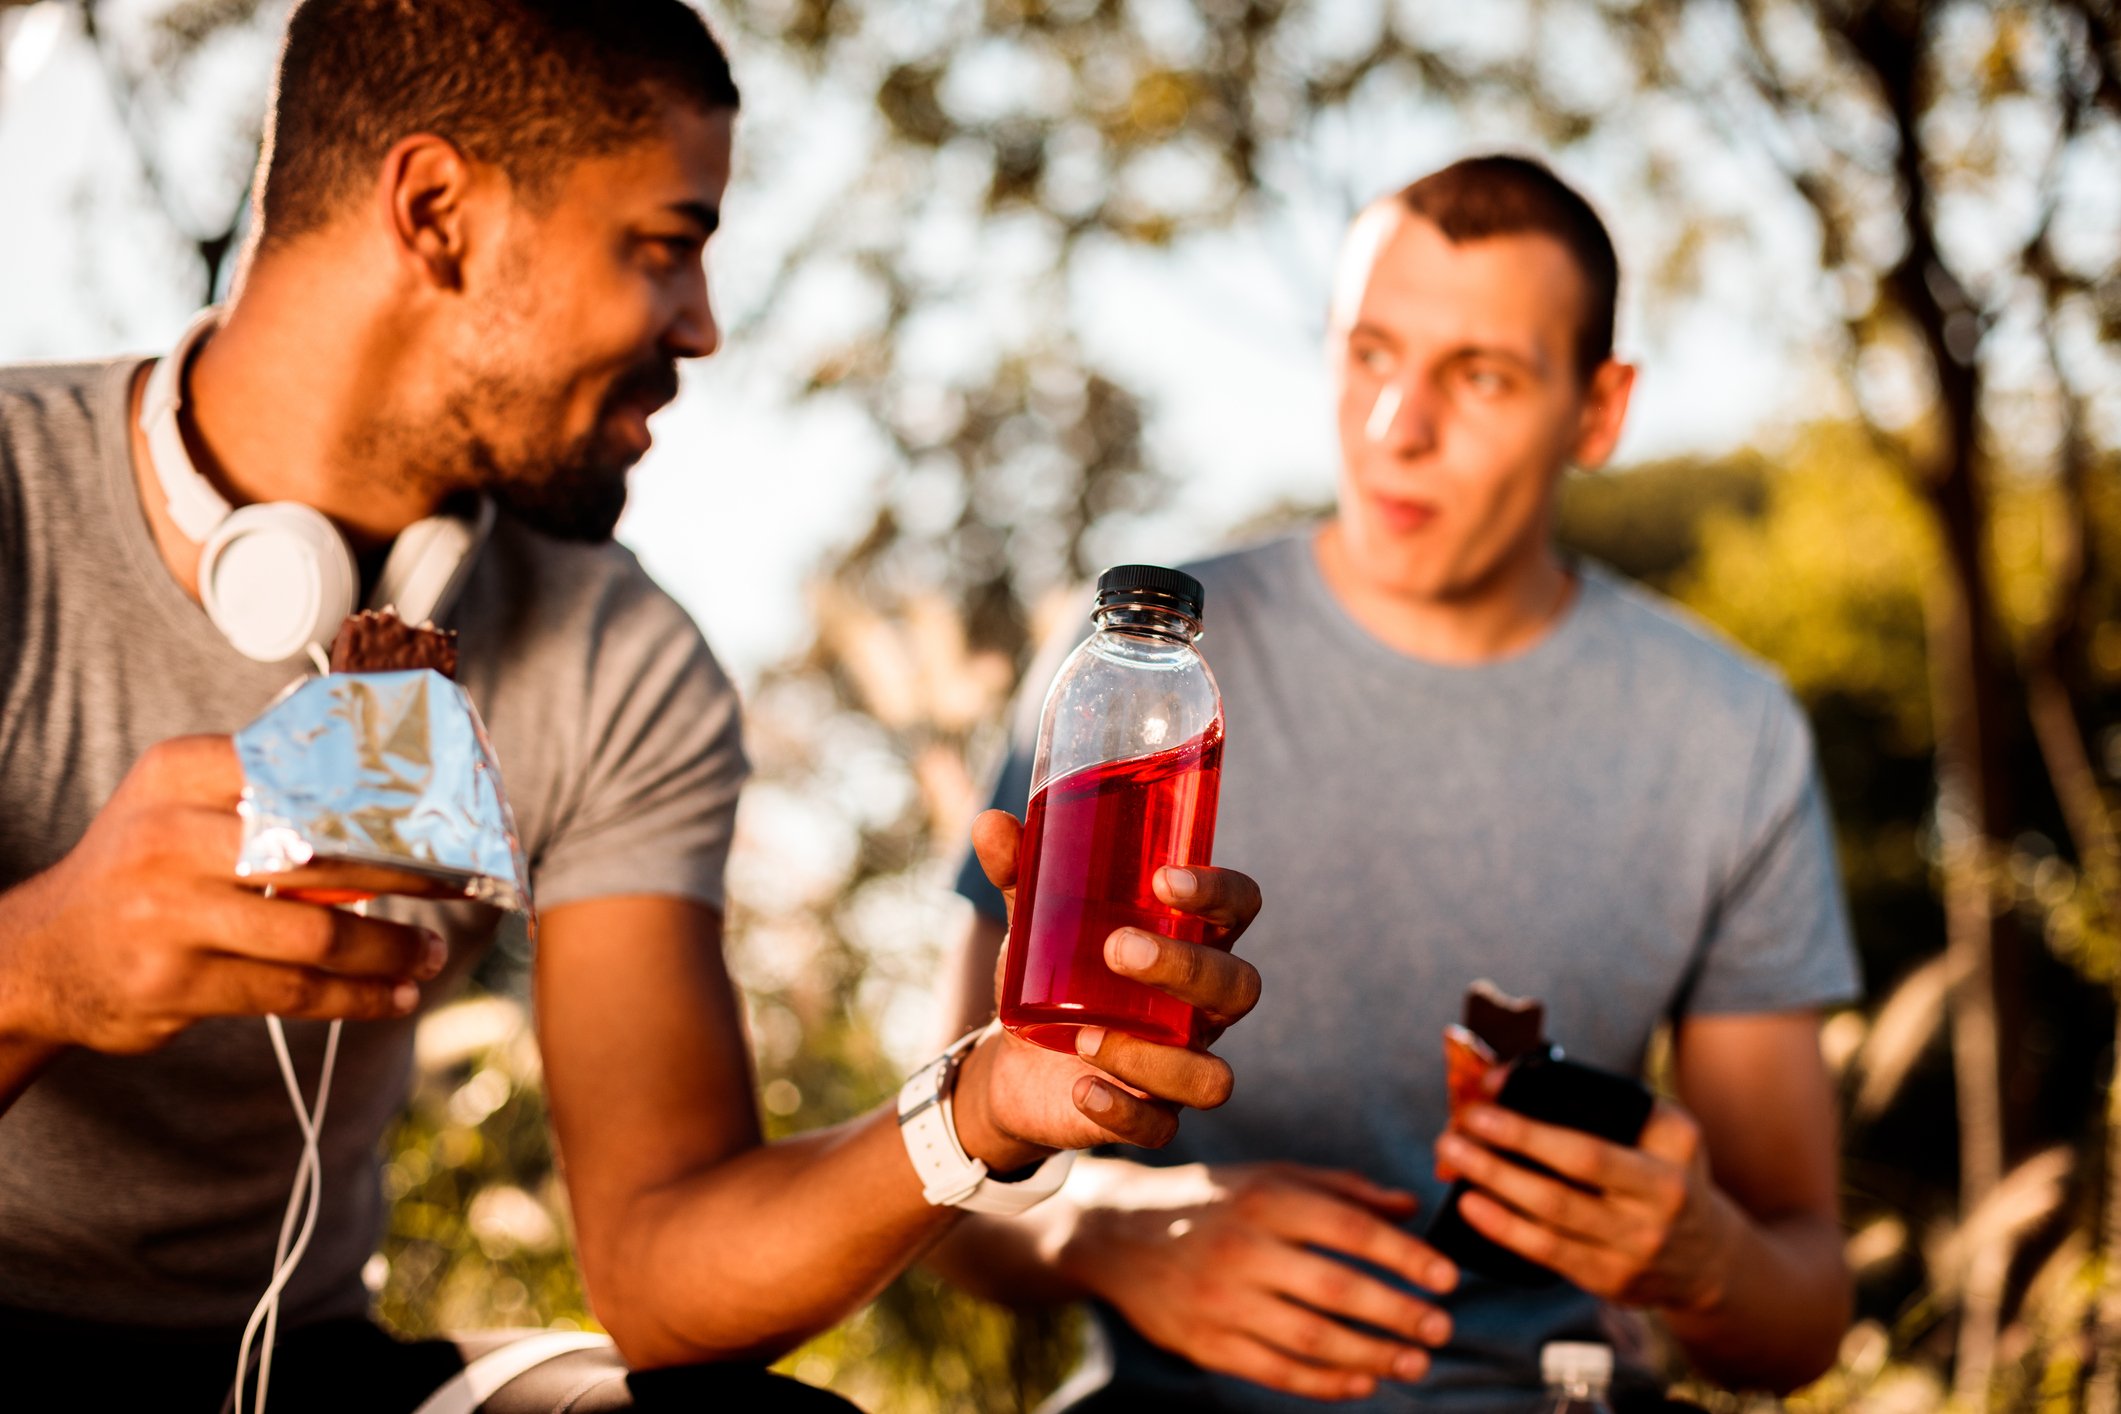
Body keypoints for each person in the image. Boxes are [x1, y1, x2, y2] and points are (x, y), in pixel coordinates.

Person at [0, 3, 1267, 1410]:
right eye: (665, 248)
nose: (704, 326)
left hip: (299, 1364)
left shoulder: (618, 650)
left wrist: (978, 1106)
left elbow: (665, 1264)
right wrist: (36, 970)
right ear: (436, 211)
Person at [931, 155, 1860, 1411]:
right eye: (1369, 353)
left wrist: (1703, 1256)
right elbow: (945, 1182)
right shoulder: (1136, 677)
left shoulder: (1725, 733)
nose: (1394, 428)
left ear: (1600, 408)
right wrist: (1107, 1230)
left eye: (1478, 375)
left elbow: (1800, 1309)